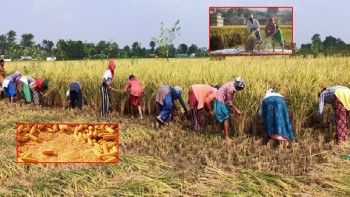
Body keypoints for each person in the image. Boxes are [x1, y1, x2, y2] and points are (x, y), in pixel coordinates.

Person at [214, 77, 245, 142]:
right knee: (226, 117)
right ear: (238, 86)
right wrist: (236, 110)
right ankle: (227, 137)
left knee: (224, 114)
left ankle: (218, 128)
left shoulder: (233, 84)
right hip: (220, 99)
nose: (241, 89)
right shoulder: (231, 89)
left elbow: (229, 99)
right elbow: (229, 101)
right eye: (241, 88)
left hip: (221, 98)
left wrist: (232, 108)